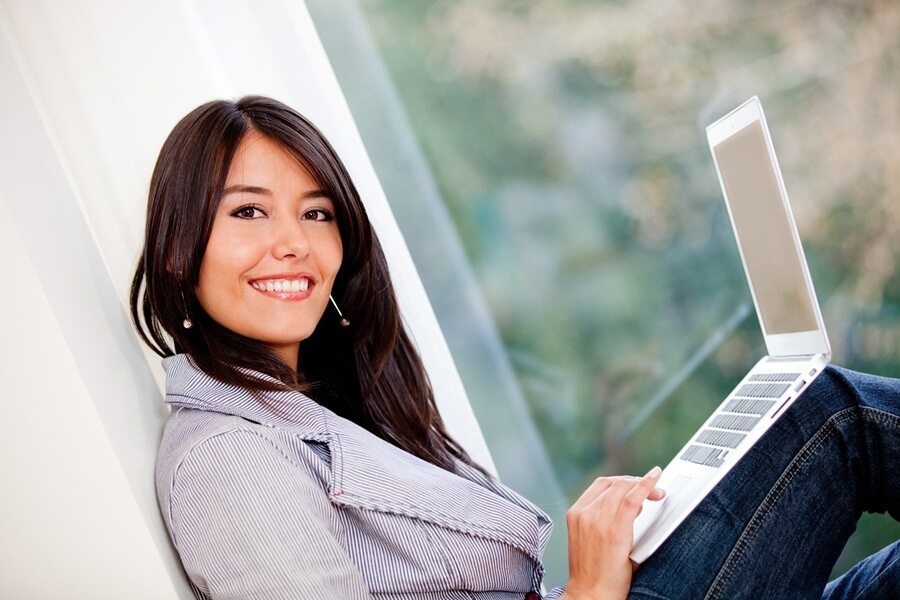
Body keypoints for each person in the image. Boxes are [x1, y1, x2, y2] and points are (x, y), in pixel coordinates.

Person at [130, 95, 900, 599]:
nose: (293, 243)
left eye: (317, 212)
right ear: (176, 248)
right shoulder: (226, 457)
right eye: (249, 213)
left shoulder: (323, 407)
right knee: (834, 420)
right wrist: (591, 591)